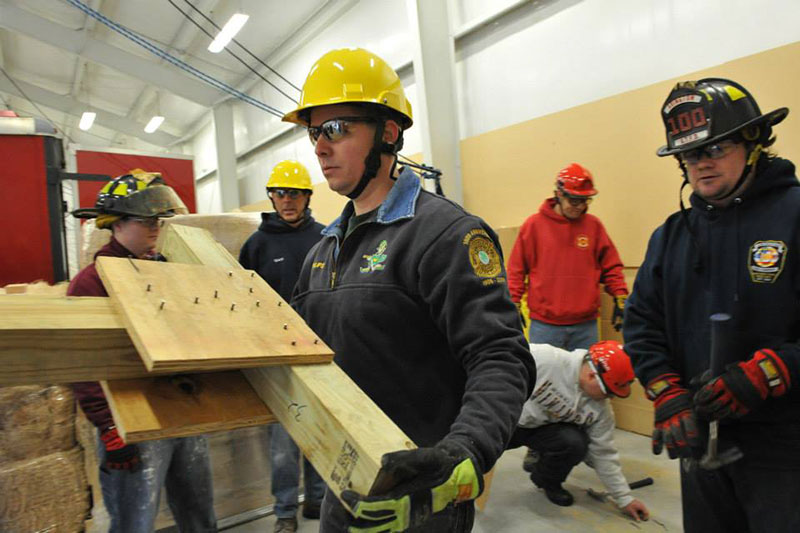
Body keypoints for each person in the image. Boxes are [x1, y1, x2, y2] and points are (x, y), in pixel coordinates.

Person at [282, 47, 536, 532]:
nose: (319, 147)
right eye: (315, 132)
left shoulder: (444, 235)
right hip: (345, 483)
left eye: (336, 129)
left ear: (389, 132)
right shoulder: (323, 251)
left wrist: (463, 453)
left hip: (423, 495)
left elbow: (500, 356)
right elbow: (296, 350)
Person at [624, 77, 800, 533]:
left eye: (715, 149)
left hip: (784, 446)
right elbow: (642, 323)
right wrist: (667, 392)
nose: (700, 165)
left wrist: (768, 372)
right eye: (689, 155)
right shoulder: (671, 235)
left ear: (754, 142)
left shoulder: (795, 216)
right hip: (698, 438)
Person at [69, 172, 217, 533]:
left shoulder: (164, 271)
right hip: (131, 418)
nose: (155, 226)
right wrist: (107, 424)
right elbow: (82, 362)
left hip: (182, 409)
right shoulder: (91, 282)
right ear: (117, 224)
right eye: (145, 219)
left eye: (158, 219)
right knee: (135, 522)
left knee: (199, 514)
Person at [507, 163, 628, 471]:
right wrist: (510, 306)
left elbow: (611, 265)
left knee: (590, 396)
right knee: (536, 393)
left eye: (585, 200)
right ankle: (538, 449)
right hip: (546, 325)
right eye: (573, 199)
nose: (579, 205)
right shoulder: (534, 226)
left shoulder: (594, 227)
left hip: (585, 326)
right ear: (558, 194)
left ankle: (582, 452)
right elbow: (516, 271)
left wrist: (620, 294)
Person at [238, 160, 326, 533]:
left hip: (321, 352)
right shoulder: (256, 245)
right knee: (283, 442)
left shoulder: (326, 238)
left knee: (320, 432)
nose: (287, 200)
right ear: (271, 197)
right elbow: (241, 300)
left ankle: (318, 500)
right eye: (280, 193)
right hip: (277, 355)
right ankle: (285, 511)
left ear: (307, 197)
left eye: (294, 193)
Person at [508, 341, 649, 521]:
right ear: (591, 376)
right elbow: (493, 358)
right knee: (473, 451)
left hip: (541, 430)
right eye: (608, 392)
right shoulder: (544, 359)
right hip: (504, 420)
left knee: (575, 443)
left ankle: (547, 482)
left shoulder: (601, 411)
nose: (610, 398)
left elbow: (603, 454)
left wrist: (624, 498)